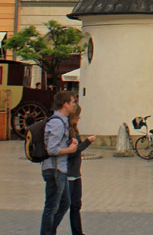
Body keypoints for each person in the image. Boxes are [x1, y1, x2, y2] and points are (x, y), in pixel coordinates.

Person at [41, 91, 80, 235]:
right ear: (65, 104)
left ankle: (50, 230)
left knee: (65, 204)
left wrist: (70, 142)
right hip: (55, 170)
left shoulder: (62, 121)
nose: (75, 105)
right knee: (51, 207)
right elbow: (52, 149)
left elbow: (57, 144)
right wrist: (69, 150)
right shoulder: (57, 122)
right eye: (72, 102)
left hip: (60, 169)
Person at [66, 103, 96, 235]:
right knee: (63, 206)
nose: (79, 118)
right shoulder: (67, 131)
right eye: (77, 115)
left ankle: (77, 232)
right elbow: (72, 152)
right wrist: (87, 142)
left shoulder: (74, 130)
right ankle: (49, 229)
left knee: (76, 205)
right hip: (68, 174)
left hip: (76, 173)